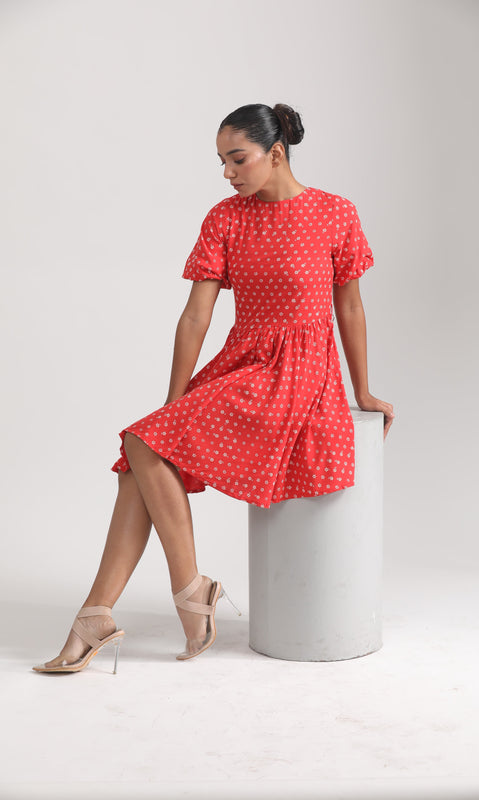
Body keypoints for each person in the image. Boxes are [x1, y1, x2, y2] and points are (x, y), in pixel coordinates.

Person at [33, 102, 394, 674]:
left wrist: (364, 389)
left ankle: (156, 600)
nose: (227, 172)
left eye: (237, 158)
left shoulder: (334, 213)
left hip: (299, 372)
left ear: (275, 154)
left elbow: (349, 306)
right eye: (221, 161)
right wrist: (174, 405)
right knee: (143, 448)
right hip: (242, 363)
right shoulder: (225, 218)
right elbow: (195, 318)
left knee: (141, 446)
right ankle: (114, 608)